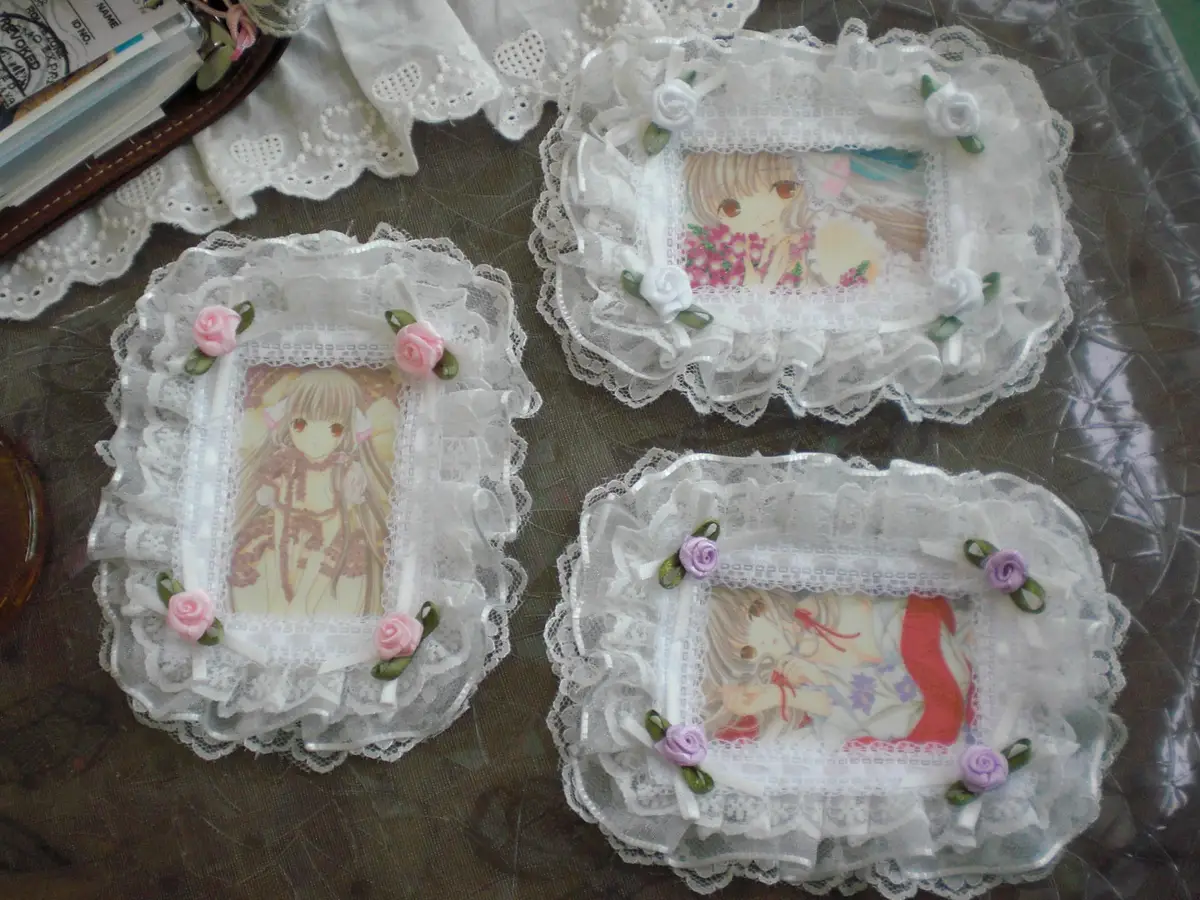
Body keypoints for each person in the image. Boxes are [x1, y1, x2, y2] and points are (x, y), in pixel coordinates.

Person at [702, 586, 972, 747]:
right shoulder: (787, 668)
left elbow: (874, 642)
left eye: (754, 612)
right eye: (748, 652)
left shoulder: (817, 611)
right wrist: (783, 694)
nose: (760, 640)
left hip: (917, 649)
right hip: (914, 703)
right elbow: (842, 707)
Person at [229, 368, 396, 618]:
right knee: (275, 557)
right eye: (300, 424)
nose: (315, 439)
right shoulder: (285, 462)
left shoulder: (345, 469)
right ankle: (283, 595)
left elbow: (340, 518)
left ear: (349, 429)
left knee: (320, 563)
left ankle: (302, 600)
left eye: (334, 429)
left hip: (326, 533)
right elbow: (276, 505)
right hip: (285, 528)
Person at [681, 150, 928, 292]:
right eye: (732, 208)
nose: (761, 214)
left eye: (783, 190)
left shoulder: (827, 239)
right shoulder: (722, 259)